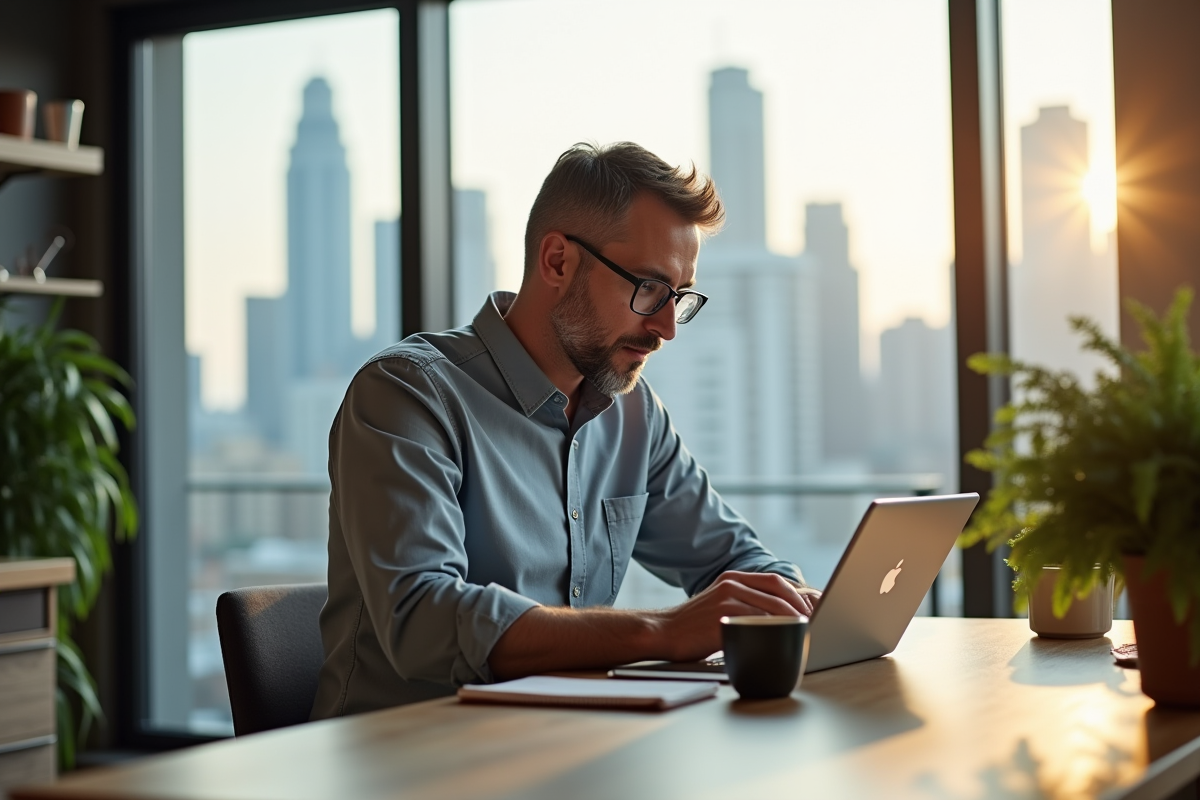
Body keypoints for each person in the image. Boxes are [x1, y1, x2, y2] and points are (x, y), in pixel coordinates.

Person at [311, 141, 818, 719]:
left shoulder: (633, 415)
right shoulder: (407, 394)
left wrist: (795, 601)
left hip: (568, 744)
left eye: (679, 298)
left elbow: (733, 559)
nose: (665, 328)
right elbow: (421, 619)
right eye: (648, 288)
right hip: (401, 763)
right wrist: (663, 631)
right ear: (557, 261)